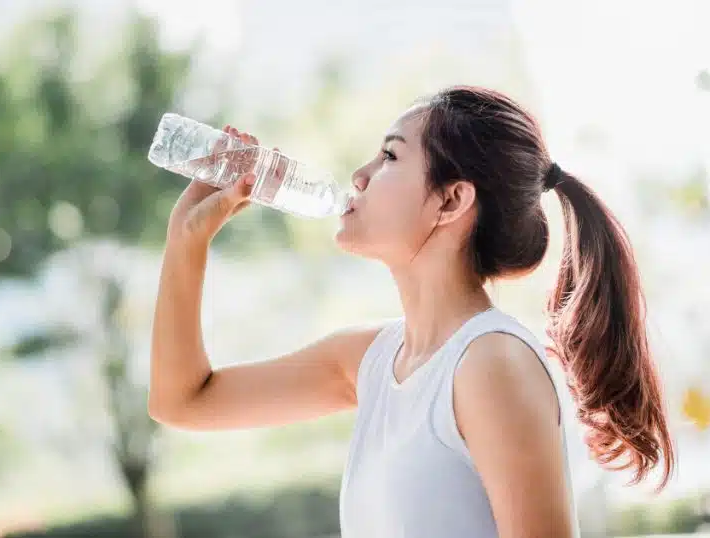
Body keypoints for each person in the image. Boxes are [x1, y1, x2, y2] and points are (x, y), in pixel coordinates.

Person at [148, 85, 674, 538]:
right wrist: (185, 241)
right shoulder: (371, 361)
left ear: (451, 201)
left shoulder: (491, 365)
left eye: (390, 157)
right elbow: (183, 401)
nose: (359, 175)